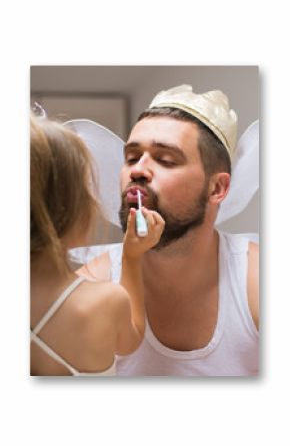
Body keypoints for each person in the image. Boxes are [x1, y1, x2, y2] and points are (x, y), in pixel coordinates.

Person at [76, 84, 259, 377]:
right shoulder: (87, 288)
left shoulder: (259, 280)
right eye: (132, 158)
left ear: (217, 188)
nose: (137, 171)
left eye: (166, 160)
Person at [30, 114, 165, 376]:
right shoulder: (104, 301)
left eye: (166, 161)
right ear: (69, 211)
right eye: (87, 190)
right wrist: (131, 257)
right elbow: (131, 338)